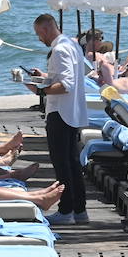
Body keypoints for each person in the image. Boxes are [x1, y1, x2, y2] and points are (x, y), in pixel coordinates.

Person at [25, 13, 89, 227]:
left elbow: (66, 85)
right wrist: (45, 77)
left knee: (62, 163)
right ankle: (79, 209)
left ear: (44, 30)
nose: (39, 39)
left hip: (60, 112)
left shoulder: (59, 49)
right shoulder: (73, 45)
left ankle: (66, 210)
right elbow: (66, 77)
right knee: (72, 161)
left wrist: (39, 90)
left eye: (38, 34)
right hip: (73, 111)